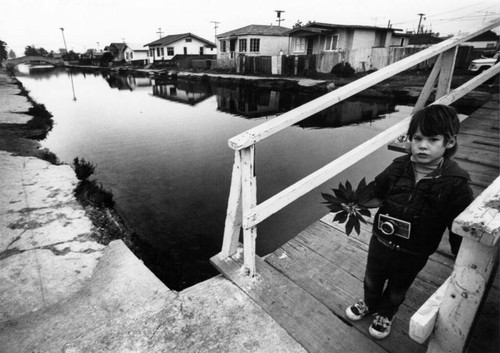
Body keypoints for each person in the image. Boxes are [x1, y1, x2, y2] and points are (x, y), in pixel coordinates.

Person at [345, 104, 474, 340]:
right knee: (371, 278)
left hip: (414, 251)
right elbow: (377, 190)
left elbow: (458, 226)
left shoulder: (456, 182)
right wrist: (356, 202)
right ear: (410, 139)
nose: (423, 145)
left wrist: (461, 257)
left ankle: (386, 312)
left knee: (397, 288)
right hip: (381, 241)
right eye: (417, 138)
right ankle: (369, 302)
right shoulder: (398, 167)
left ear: (450, 142)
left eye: (433, 139)